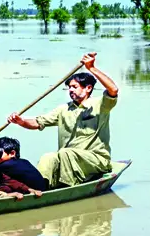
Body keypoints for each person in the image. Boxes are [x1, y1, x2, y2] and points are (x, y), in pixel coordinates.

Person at [7, 52, 119, 188]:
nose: (71, 90)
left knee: (66, 153)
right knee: (48, 157)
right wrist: (21, 121)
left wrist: (91, 68)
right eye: (69, 87)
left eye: (74, 87)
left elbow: (113, 89)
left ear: (88, 88)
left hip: (96, 160)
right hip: (68, 160)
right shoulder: (63, 109)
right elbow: (38, 123)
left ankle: (67, 187)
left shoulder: (100, 105)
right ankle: (39, 187)